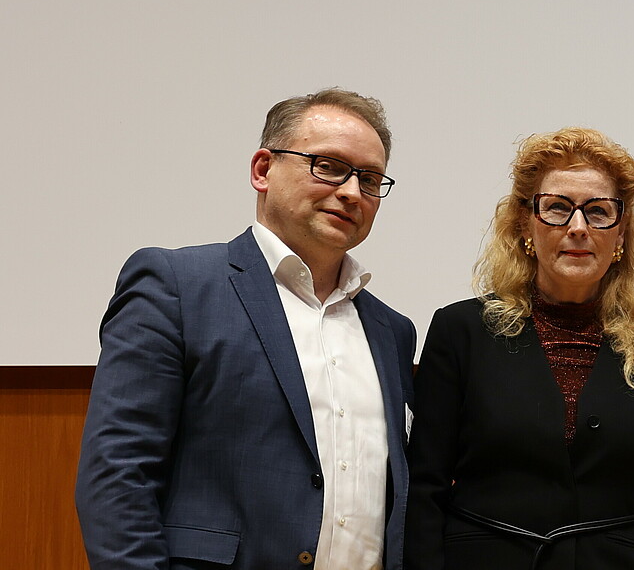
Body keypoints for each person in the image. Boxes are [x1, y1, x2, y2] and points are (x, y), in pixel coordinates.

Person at [75, 88, 414, 569]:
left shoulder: (392, 331)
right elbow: (117, 477)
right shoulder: (177, 286)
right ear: (262, 170)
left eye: (370, 178)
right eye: (329, 166)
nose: (352, 192)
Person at [405, 128, 634, 570]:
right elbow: (425, 489)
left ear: (622, 230)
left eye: (598, 212)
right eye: (557, 208)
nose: (578, 228)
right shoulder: (461, 332)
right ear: (525, 223)